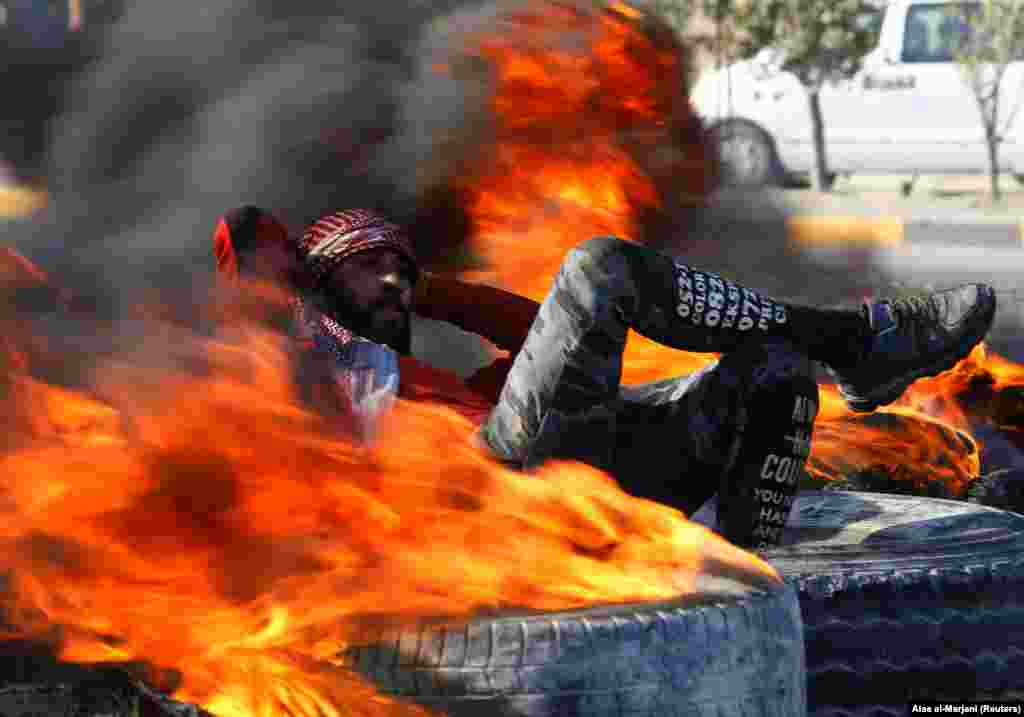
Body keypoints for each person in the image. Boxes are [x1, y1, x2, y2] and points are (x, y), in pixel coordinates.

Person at [238, 208, 998, 550]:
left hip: (587, 464)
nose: (392, 277)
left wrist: (425, 286)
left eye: (399, 262)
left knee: (775, 373)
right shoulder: (318, 360)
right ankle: (857, 340)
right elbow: (243, 241)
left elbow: (538, 330)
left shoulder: (451, 378)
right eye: (370, 263)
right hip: (493, 490)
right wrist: (317, 286)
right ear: (323, 284)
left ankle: (738, 570)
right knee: (599, 265)